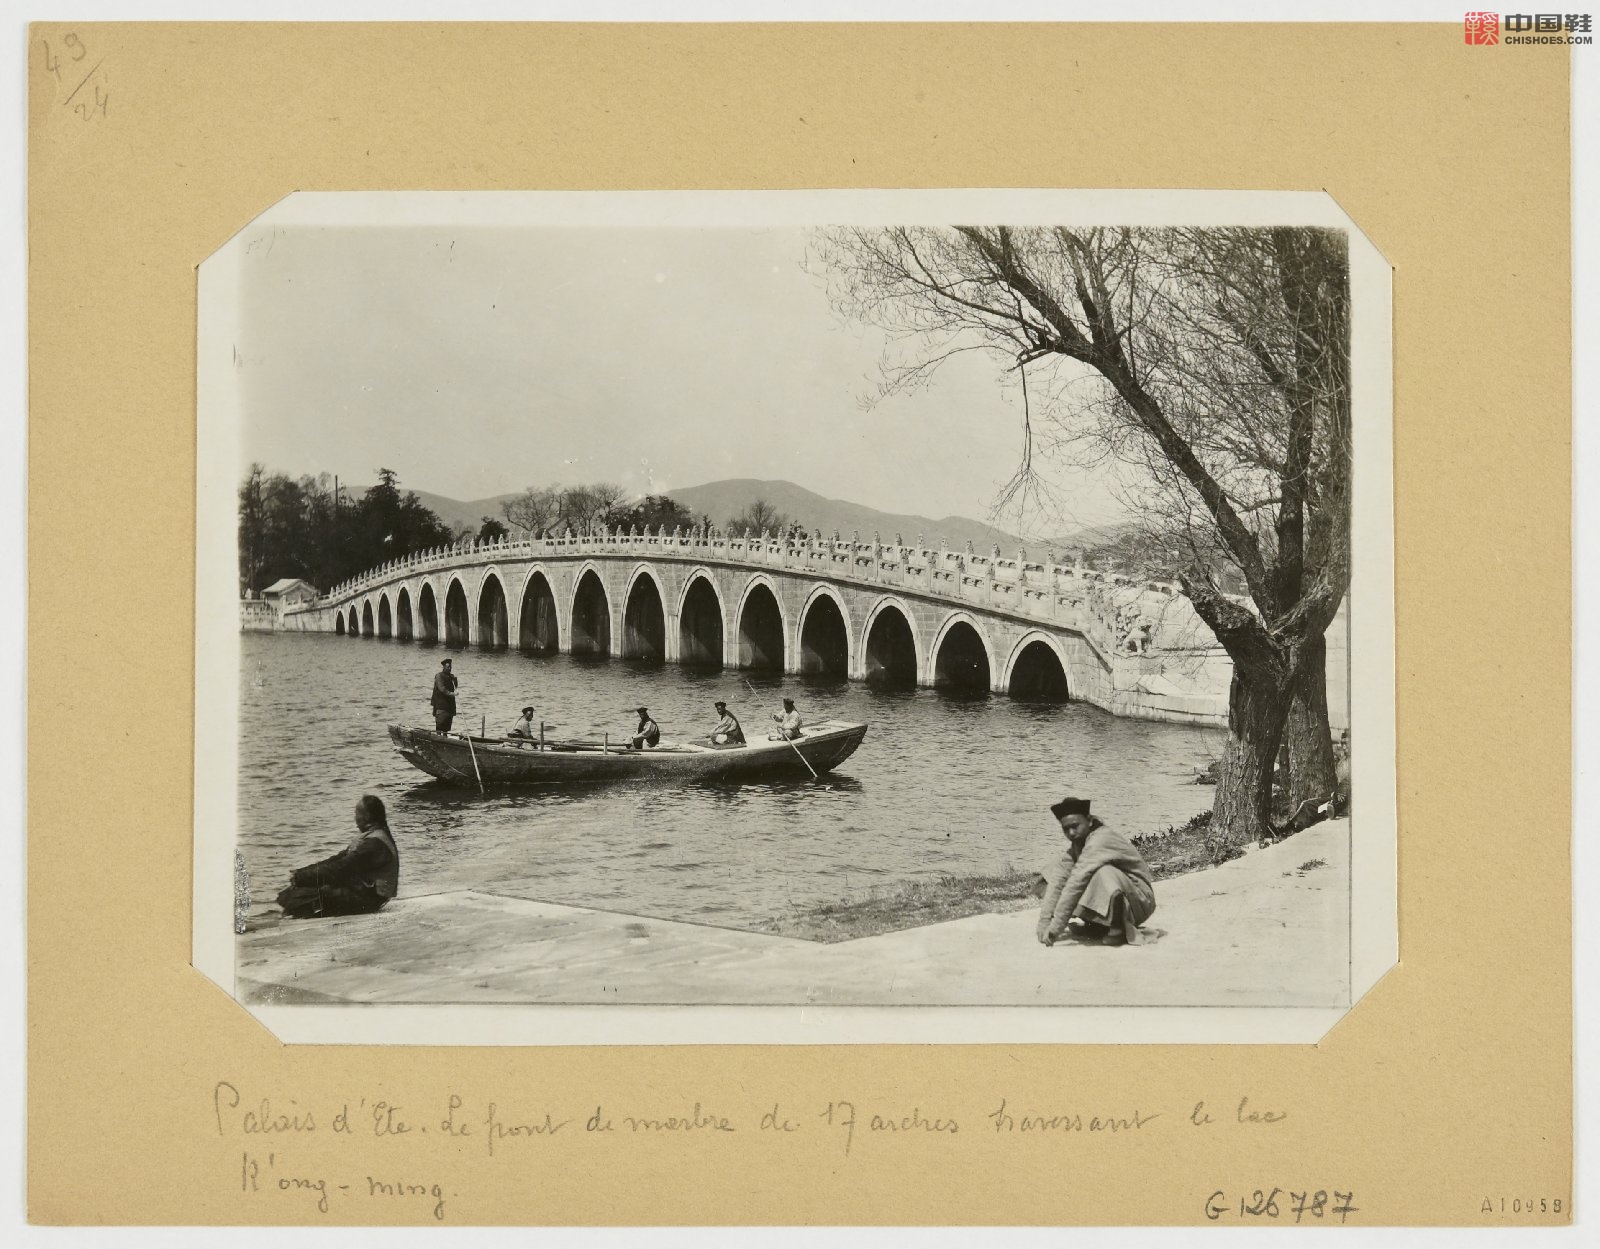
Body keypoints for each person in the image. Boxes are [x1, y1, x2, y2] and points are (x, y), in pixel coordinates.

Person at [1036, 797, 1156, 947]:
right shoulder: (1079, 843)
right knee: (1051, 872)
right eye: (1066, 829)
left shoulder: (1101, 839)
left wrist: (1055, 929)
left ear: (1089, 821)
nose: (1071, 833)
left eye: (1075, 826)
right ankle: (1098, 925)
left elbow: (1076, 882)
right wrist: (1044, 923)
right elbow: (1058, 879)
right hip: (1124, 895)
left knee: (1102, 873)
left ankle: (1117, 929)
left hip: (1140, 901)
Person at [275, 794, 399, 919]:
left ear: (366, 817)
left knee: (304, 894)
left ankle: (295, 918)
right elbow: (337, 860)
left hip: (368, 898)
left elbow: (341, 868)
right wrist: (303, 872)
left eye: (357, 814)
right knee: (300, 890)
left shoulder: (374, 843)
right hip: (363, 892)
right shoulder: (373, 837)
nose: (355, 818)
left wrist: (303, 877)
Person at [430, 658, 459, 733]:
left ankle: (445, 738)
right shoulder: (439, 676)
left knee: (446, 728)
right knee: (440, 727)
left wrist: (455, 680)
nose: (449, 669)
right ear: (444, 667)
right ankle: (438, 738)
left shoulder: (451, 677)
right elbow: (442, 689)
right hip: (441, 706)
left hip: (449, 707)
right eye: (448, 667)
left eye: (450, 667)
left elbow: (455, 687)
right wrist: (452, 694)